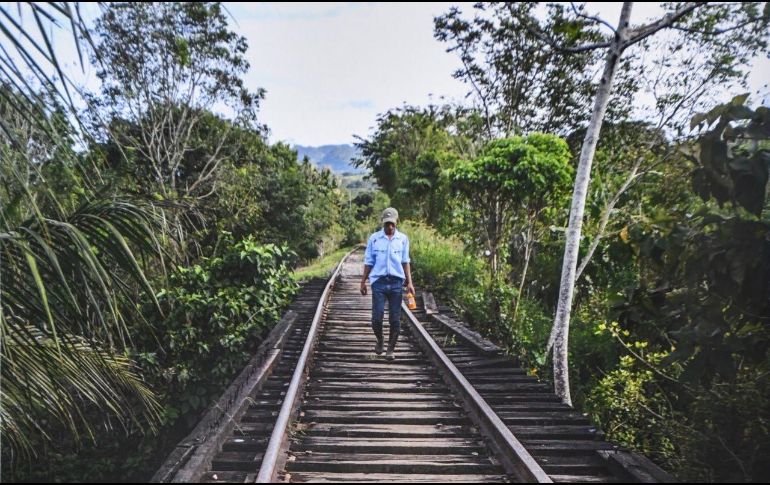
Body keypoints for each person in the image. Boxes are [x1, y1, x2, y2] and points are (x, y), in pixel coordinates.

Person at [360, 207, 415, 360]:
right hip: (379, 283)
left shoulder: (403, 239)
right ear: (382, 223)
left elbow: (405, 261)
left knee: (395, 319)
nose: (389, 227)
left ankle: (390, 349)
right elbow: (369, 261)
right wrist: (363, 282)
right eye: (387, 224)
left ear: (397, 222)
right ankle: (380, 339)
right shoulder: (374, 239)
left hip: (397, 283)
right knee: (376, 318)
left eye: (392, 224)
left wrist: (409, 282)